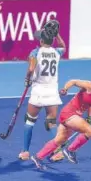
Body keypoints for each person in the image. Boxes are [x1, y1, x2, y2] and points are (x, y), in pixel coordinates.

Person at [31, 71, 91, 170]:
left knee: (60, 139)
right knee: (90, 131)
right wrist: (65, 89)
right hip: (69, 113)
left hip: (76, 115)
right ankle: (70, 150)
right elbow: (73, 81)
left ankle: (38, 157)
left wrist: (89, 117)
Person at [18, 20, 67, 162]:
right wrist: (57, 35)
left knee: (29, 121)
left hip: (38, 91)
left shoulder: (35, 52)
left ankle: (25, 152)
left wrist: (27, 79)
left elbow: (31, 69)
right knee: (51, 123)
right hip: (52, 93)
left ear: (40, 41)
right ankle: (57, 151)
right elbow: (63, 46)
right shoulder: (57, 52)